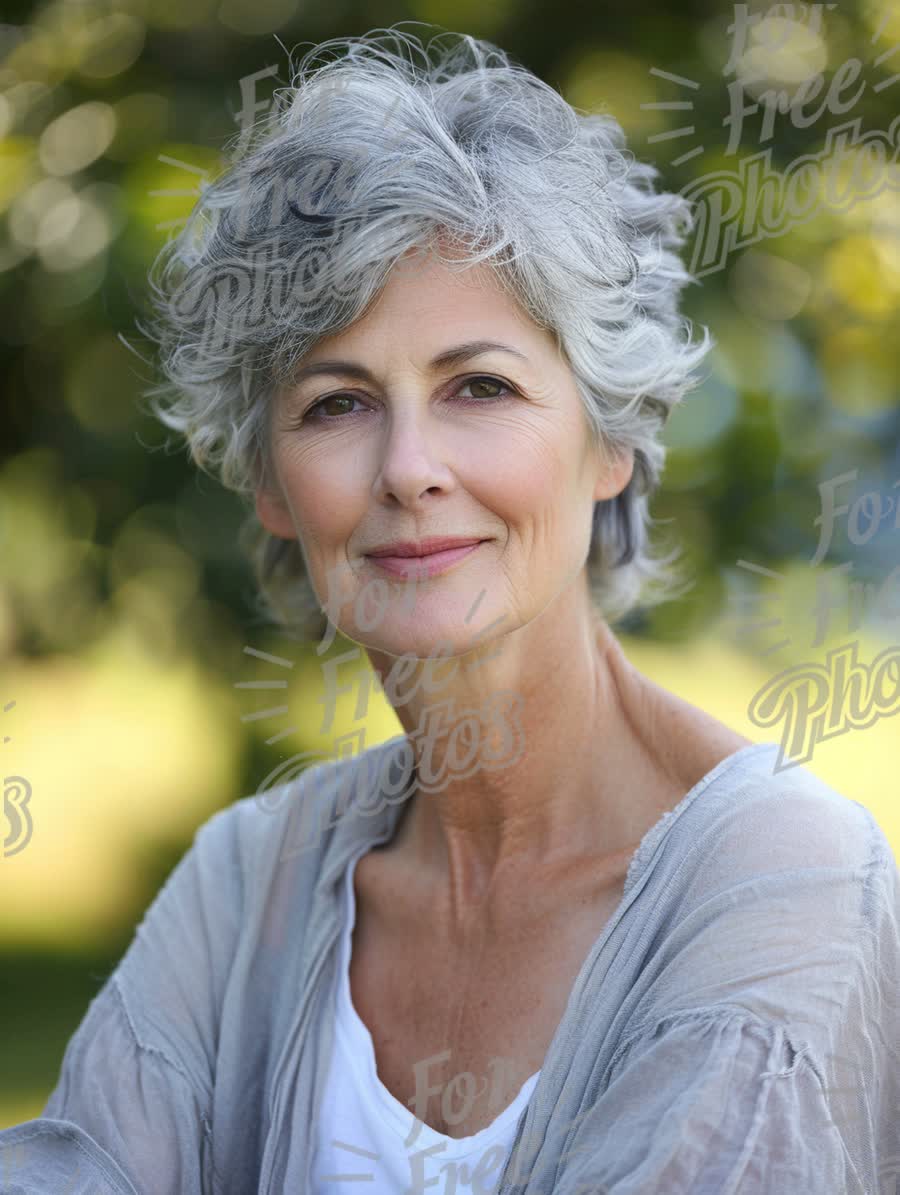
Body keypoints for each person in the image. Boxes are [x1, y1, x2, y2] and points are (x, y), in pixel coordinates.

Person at [2, 24, 898, 1195]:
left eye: (480, 385)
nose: (408, 467)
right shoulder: (248, 886)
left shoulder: (784, 883)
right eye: (336, 403)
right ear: (270, 484)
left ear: (611, 440)